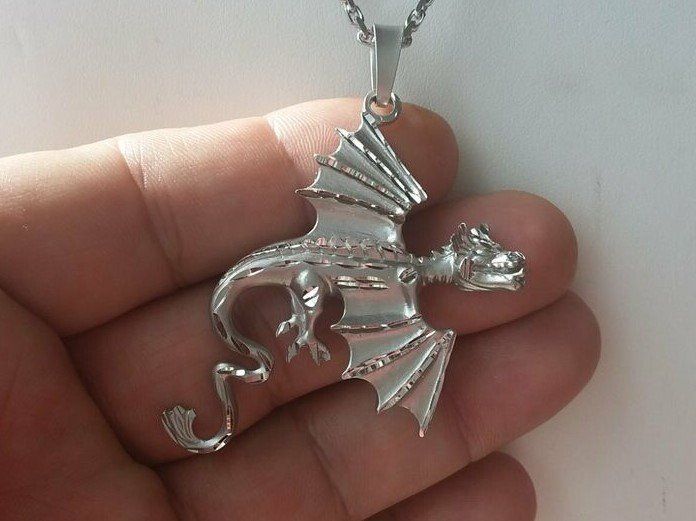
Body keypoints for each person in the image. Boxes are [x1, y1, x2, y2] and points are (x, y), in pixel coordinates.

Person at [0, 98, 599, 520]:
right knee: (302, 306)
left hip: (320, 269)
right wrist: (305, 324)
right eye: (481, 271)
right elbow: (312, 278)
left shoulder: (406, 282)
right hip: (306, 270)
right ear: (458, 265)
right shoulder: (398, 264)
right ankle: (287, 335)